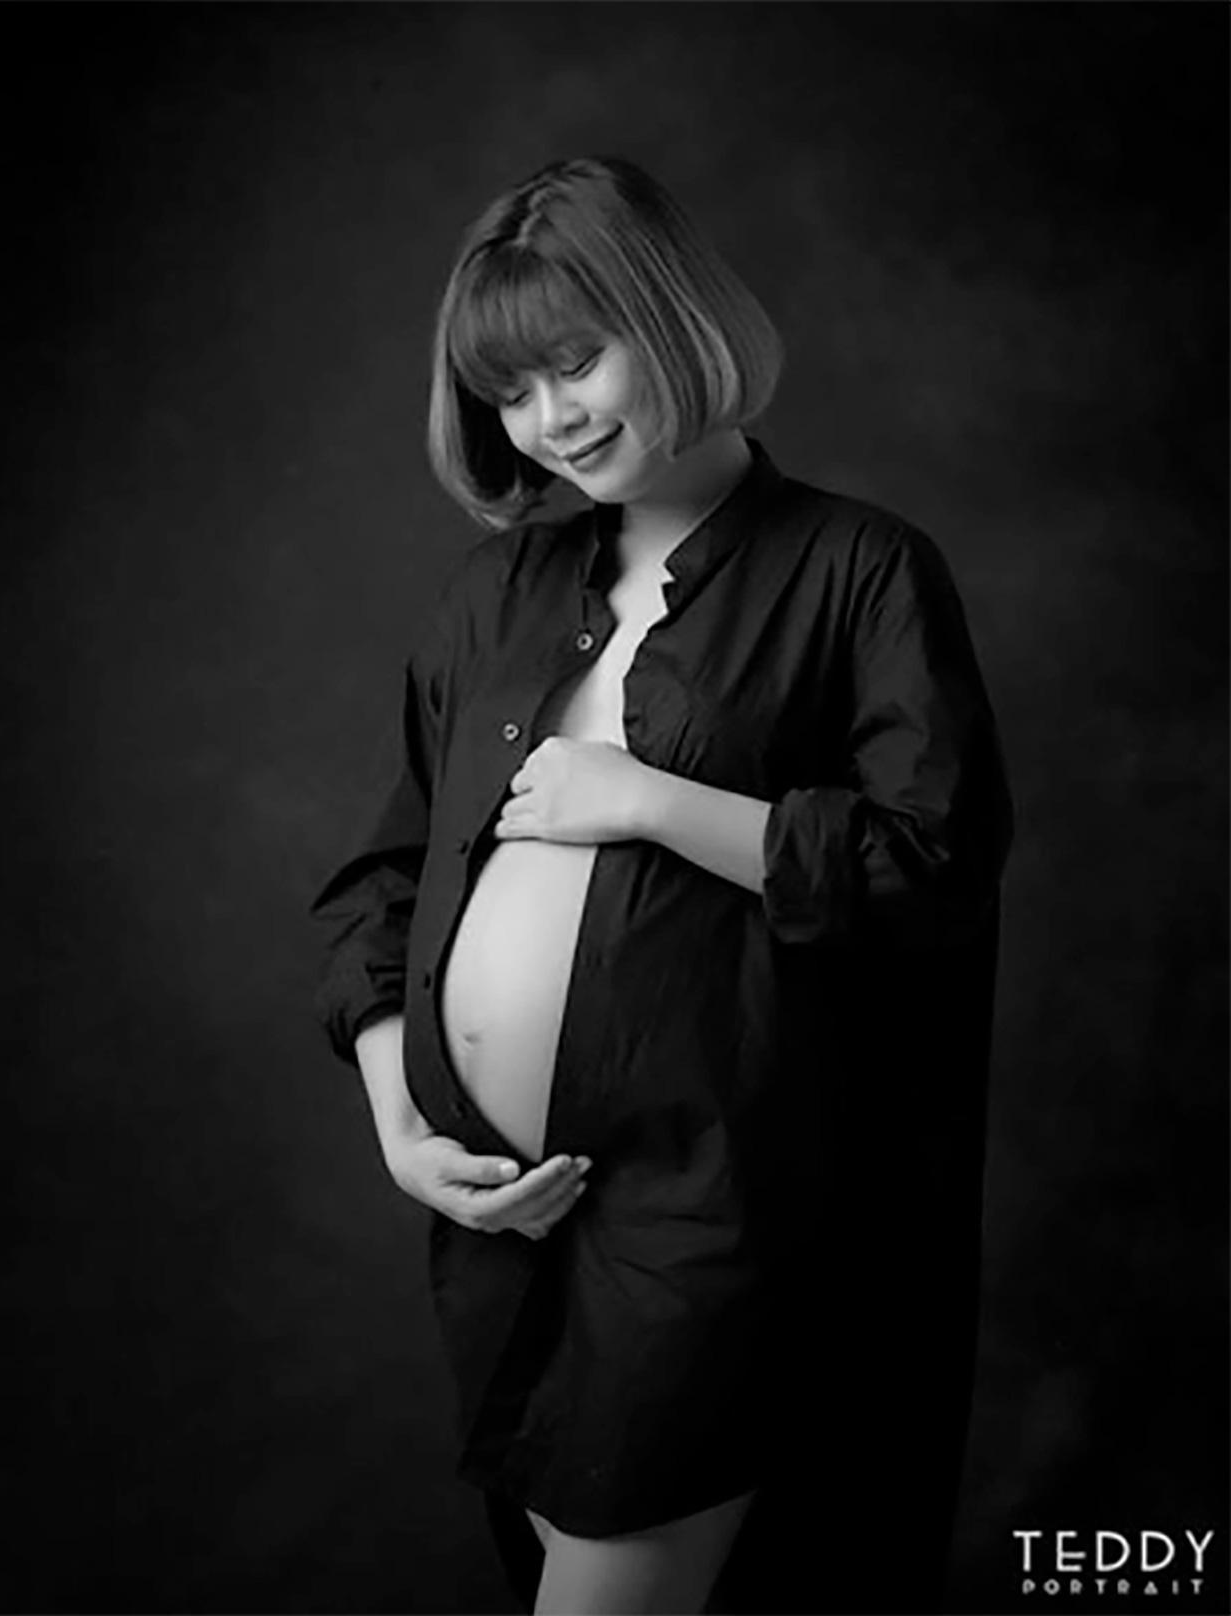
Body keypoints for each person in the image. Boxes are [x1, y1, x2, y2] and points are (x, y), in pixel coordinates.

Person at [311, 155, 1014, 1616]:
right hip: (504, 1228)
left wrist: (648, 801)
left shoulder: (860, 571)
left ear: (674, 319)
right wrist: (401, 1125)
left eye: (578, 362)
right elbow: (382, 880)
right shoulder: (490, 596)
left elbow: (931, 868)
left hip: (717, 1220)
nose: (551, 419)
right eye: (512, 392)